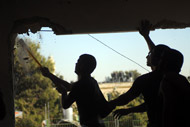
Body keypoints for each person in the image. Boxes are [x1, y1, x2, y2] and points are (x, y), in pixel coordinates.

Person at [110, 20, 170, 127]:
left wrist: (109, 104)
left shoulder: (146, 80)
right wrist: (146, 37)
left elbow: (126, 98)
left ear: (156, 59)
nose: (147, 56)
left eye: (149, 54)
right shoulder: (173, 78)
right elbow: (152, 104)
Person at [40, 54, 113, 127]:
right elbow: (70, 86)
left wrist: (64, 92)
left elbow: (65, 104)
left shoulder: (80, 85)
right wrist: (49, 75)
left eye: (78, 62)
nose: (76, 64)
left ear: (83, 66)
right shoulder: (92, 82)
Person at [158, 48, 190, 127]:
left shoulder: (167, 81)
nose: (159, 61)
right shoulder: (182, 80)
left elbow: (168, 110)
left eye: (161, 58)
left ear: (166, 62)